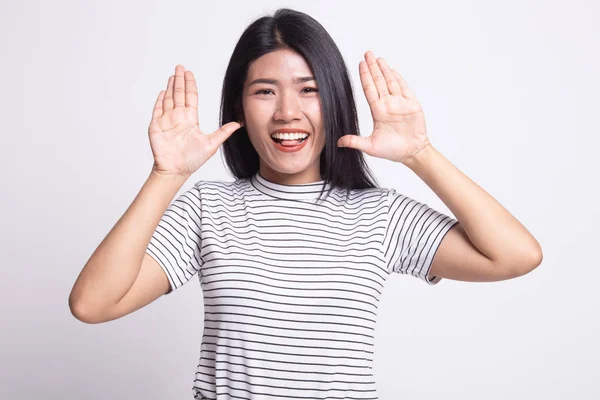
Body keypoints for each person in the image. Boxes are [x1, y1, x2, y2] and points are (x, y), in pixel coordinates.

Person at [69, 8, 543, 400]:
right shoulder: (206, 209)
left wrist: (420, 155)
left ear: (334, 100)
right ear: (238, 107)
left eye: (308, 88)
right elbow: (92, 303)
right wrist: (166, 176)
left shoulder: (381, 215)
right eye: (265, 91)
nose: (287, 111)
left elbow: (516, 255)